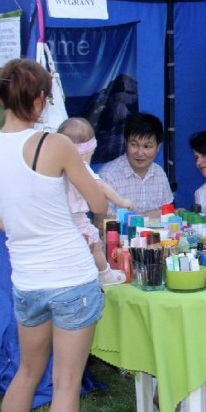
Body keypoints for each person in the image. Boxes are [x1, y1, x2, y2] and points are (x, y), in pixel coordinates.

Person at [0, 58, 107, 412]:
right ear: (39, 100)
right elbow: (98, 202)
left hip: (27, 280)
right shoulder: (56, 144)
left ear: (1, 98)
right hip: (72, 278)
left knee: (27, 373)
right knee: (65, 385)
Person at [58, 117, 134, 286]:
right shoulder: (80, 167)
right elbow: (101, 186)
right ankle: (105, 273)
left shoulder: (54, 166)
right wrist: (121, 201)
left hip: (58, 219)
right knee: (95, 245)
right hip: (76, 218)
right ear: (86, 152)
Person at [97, 112, 173, 223]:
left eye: (147, 146)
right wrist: (146, 215)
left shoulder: (159, 173)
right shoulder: (108, 175)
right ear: (125, 142)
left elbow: (167, 214)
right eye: (134, 145)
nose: (140, 153)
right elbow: (101, 221)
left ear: (158, 147)